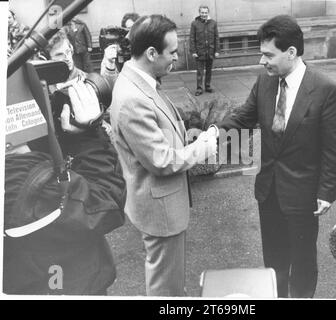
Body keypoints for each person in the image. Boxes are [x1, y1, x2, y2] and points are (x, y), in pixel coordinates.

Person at [215, 15, 336, 298]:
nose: (262, 61)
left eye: (267, 55)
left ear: (291, 52)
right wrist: (214, 131)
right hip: (268, 191)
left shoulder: (325, 90)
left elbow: (332, 148)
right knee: (273, 263)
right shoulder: (265, 82)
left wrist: (327, 192)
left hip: (303, 194)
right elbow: (243, 116)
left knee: (302, 263)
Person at [110, 15, 217, 296]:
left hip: (160, 206)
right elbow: (161, 160)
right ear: (151, 53)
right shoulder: (134, 98)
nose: (176, 57)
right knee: (165, 289)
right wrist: (203, 146)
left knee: (170, 282)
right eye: (172, 52)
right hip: (161, 212)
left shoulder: (138, 80)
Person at [3, 79, 126, 295]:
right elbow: (105, 201)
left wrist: (60, 138)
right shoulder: (23, 182)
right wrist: (89, 136)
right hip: (65, 286)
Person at [189, 5, 220, 96]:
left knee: (209, 70)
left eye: (206, 13)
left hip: (210, 51)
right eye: (202, 12)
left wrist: (217, 50)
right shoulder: (194, 23)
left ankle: (208, 86)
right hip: (200, 52)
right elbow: (192, 38)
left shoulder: (213, 23)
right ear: (199, 13)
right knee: (200, 71)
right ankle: (199, 88)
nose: (204, 14)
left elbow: (216, 37)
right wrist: (193, 51)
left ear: (208, 13)